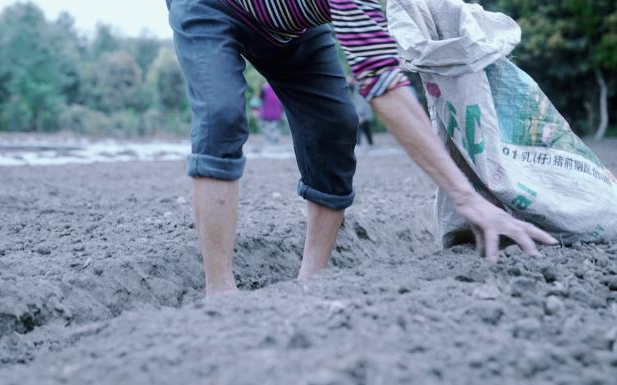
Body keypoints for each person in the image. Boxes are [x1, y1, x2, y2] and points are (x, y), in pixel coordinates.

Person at [166, 0, 557, 297]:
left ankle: (311, 279)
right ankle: (220, 292)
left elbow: (389, 68)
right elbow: (384, 89)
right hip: (212, 7)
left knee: (335, 125)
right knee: (221, 113)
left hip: (295, 28)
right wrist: (466, 198)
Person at [349, 78, 374, 146]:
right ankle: (363, 146)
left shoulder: (361, 86)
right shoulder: (353, 88)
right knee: (359, 135)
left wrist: (361, 115)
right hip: (360, 114)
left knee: (367, 132)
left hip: (363, 114)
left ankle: (369, 145)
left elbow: (361, 101)